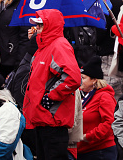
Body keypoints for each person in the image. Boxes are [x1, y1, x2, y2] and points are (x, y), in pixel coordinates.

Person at [23, 9, 82, 160]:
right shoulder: (44, 47)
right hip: (42, 119)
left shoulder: (59, 45)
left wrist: (51, 97)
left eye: (40, 25)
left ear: (49, 25)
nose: (37, 29)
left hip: (52, 121)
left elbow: (73, 77)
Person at [73, 55, 117, 160]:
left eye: (83, 78)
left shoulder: (104, 96)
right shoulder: (81, 96)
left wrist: (87, 137)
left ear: (94, 80)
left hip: (100, 151)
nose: (79, 81)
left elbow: (109, 123)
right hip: (83, 151)